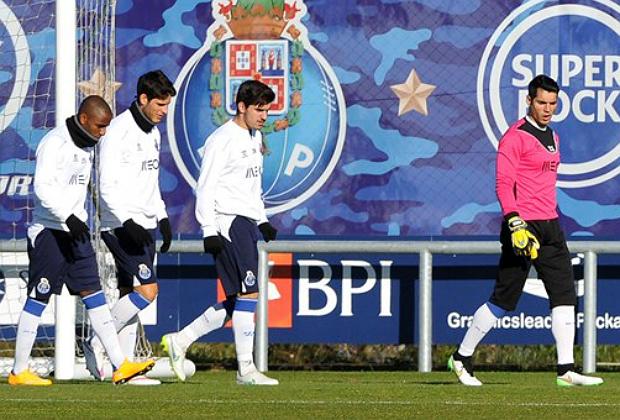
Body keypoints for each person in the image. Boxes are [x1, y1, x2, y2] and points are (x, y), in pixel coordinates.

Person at [448, 75, 603, 387]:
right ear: (529, 100)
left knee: (565, 294)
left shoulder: (553, 136)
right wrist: (515, 222)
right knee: (504, 299)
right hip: (522, 226)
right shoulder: (514, 137)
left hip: (550, 226)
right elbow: (503, 184)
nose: (547, 109)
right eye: (541, 102)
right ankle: (462, 357)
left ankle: (565, 370)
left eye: (552, 103)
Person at [9, 96, 155, 386]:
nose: (103, 132)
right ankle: (19, 371)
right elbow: (42, 189)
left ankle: (120, 365)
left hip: (77, 234)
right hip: (50, 233)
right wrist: (68, 216)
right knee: (38, 297)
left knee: (95, 296)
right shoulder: (55, 143)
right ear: (85, 119)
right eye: (100, 126)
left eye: (107, 127)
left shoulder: (88, 145)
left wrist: (79, 220)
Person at [161, 80, 279, 385]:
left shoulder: (255, 136)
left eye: (267, 110)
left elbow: (252, 187)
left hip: (246, 223)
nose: (264, 116)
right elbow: (206, 186)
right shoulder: (221, 140)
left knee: (238, 299)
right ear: (241, 107)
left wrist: (262, 219)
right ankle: (246, 371)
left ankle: (180, 340)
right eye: (259, 109)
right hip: (228, 223)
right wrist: (209, 229)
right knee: (249, 294)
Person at [83, 70, 175, 385]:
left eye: (167, 105)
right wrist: (127, 222)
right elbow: (105, 187)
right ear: (143, 98)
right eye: (160, 104)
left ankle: (126, 368)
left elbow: (151, 181)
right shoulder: (118, 132)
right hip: (120, 226)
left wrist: (162, 216)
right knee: (148, 291)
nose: (164, 111)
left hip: (145, 224)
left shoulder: (154, 133)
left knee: (129, 292)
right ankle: (97, 340)